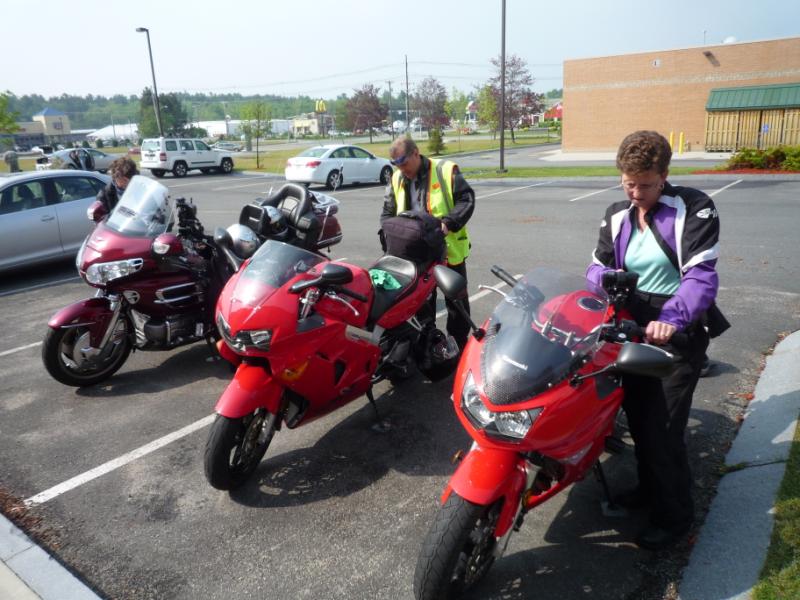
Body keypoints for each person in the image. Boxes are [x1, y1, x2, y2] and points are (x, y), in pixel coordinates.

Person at [586, 130, 726, 551]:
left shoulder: (694, 208)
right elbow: (595, 267)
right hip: (630, 323)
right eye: (628, 183)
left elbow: (701, 276)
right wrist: (607, 280)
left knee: (662, 428)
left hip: (675, 328)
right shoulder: (617, 214)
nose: (635, 193)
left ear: (664, 176)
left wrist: (671, 320)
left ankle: (675, 517)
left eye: (645, 184)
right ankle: (650, 490)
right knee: (637, 416)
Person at [381, 137, 475, 350]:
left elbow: (466, 199)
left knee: (456, 303)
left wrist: (448, 223)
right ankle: (428, 345)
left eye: (404, 163)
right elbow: (387, 212)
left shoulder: (445, 170)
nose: (401, 169)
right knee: (420, 302)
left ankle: (458, 346)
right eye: (396, 165)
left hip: (447, 250)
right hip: (414, 253)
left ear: (416, 153)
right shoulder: (397, 177)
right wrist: (392, 235)